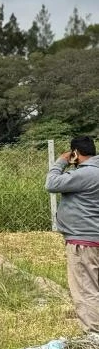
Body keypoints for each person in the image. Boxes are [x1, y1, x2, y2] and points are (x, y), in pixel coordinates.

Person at [46, 136, 99, 336]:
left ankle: (94, 338)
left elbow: (51, 183)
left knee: (86, 291)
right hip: (94, 238)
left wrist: (61, 161)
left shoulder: (86, 174)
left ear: (76, 153)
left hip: (83, 242)